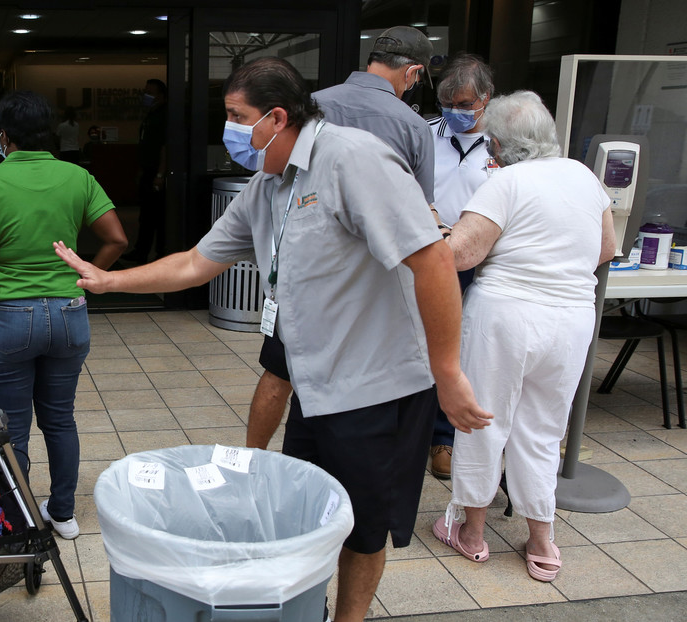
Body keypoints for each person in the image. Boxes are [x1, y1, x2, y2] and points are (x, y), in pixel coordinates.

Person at [54, 57, 491, 622]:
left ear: (277, 117)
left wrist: (449, 372)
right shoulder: (268, 184)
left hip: (376, 387)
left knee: (363, 528)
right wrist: (110, 280)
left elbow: (431, 260)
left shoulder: (352, 160)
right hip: (317, 386)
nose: (229, 129)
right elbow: (195, 263)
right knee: (306, 516)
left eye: (237, 115)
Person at [432, 91, 615, 583]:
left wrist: (438, 230)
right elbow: (606, 248)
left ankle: (471, 532)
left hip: (506, 315)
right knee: (543, 429)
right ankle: (541, 541)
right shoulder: (583, 175)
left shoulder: (505, 182)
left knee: (483, 420)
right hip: (572, 318)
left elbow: (462, 255)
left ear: (500, 143)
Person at [246, 25, 438, 450]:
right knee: (357, 394)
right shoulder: (412, 125)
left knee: (280, 375)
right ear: (414, 73)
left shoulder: (313, 106)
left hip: (297, 274)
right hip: (369, 293)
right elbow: (422, 219)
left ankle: (253, 461)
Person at [0, 90, 127, 540]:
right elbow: (116, 239)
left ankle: (21, 516)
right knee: (60, 417)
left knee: (11, 425)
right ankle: (64, 514)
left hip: (7, 316)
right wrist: (85, 279)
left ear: (4, 136)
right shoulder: (77, 177)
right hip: (69, 315)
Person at [425, 54, 495, 479]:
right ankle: (416, 429)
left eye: (465, 104)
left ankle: (445, 439)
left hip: (481, 260)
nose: (455, 111)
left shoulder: (504, 143)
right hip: (431, 253)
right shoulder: (426, 134)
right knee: (425, 345)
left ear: (485, 99)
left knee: (464, 348)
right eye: (447, 103)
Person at [123, 78, 167, 264]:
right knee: (146, 215)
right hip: (148, 170)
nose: (146, 96)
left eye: (150, 92)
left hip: (157, 172)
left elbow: (166, 146)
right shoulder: (151, 114)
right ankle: (141, 251)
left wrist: (160, 174)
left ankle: (161, 253)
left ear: (160, 95)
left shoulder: (165, 115)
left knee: (157, 216)